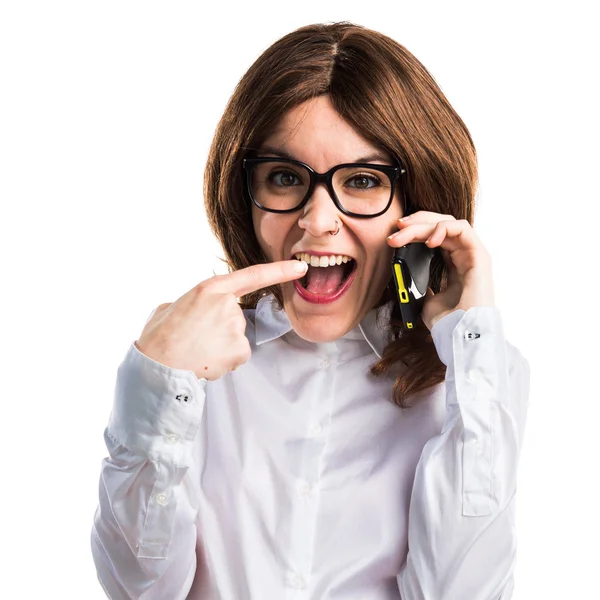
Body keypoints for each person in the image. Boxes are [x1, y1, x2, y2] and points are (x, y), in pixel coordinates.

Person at [91, 21, 530, 600]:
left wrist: (471, 350)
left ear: (418, 201)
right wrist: (156, 386)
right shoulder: (190, 371)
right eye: (283, 177)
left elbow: (461, 593)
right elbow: (136, 590)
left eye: (364, 180)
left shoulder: (477, 377)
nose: (317, 221)